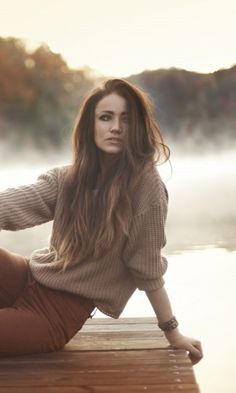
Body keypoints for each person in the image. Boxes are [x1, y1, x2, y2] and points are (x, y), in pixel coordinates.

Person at [0, 78, 203, 363]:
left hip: (55, 313)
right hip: (27, 277)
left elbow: (146, 269)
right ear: (90, 126)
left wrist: (172, 332)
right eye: (106, 118)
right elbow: (11, 205)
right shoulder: (68, 179)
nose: (116, 127)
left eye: (126, 119)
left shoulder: (146, 188)